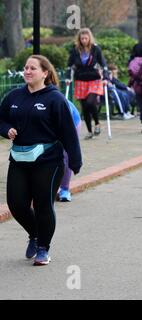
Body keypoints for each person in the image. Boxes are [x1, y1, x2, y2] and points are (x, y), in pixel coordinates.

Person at [0, 55, 82, 266]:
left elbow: (68, 133)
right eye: (25, 68)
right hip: (19, 158)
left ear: (45, 73)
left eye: (32, 68)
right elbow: (1, 118)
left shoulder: (55, 99)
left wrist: (75, 161)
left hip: (48, 161)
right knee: (16, 204)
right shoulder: (14, 96)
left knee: (44, 205)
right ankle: (34, 234)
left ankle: (43, 248)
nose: (27, 71)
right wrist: (5, 129)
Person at [66, 28, 109, 140]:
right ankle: (90, 131)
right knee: (84, 107)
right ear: (79, 39)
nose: (84, 40)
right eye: (82, 38)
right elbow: (69, 65)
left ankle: (98, 123)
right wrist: (68, 77)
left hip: (94, 79)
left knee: (91, 102)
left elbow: (103, 64)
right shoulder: (75, 50)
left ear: (89, 38)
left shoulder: (96, 49)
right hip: (81, 80)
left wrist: (105, 77)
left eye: (86, 38)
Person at [57, 99, 81, 202]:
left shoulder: (60, 103)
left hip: (72, 124)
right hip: (49, 127)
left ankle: (65, 189)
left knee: (65, 155)